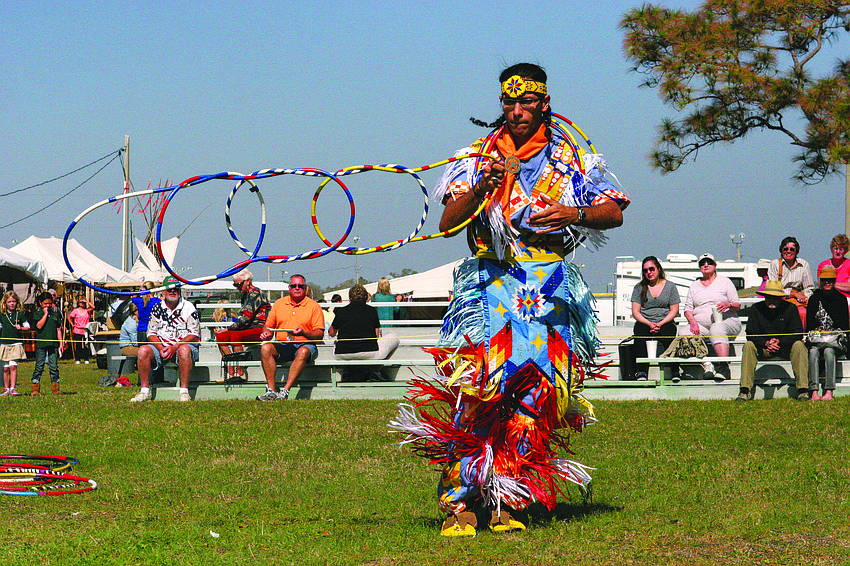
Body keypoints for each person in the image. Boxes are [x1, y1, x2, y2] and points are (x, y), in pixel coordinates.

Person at [389, 63, 629, 536]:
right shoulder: (477, 157)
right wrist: (482, 185)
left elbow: (615, 211)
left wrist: (573, 211)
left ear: (543, 102)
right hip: (490, 289)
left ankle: (508, 501)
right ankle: (460, 503)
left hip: (548, 290)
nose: (517, 111)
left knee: (536, 397)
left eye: (526, 102)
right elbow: (448, 222)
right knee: (480, 393)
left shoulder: (572, 156)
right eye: (508, 102)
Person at [130, 275, 201, 403]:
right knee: (143, 350)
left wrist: (175, 347)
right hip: (161, 347)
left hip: (184, 346)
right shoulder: (157, 308)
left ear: (180, 291)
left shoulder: (188, 307)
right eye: (169, 289)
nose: (172, 291)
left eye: (176, 289)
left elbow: (194, 333)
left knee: (184, 350)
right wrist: (161, 348)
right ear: (163, 291)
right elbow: (151, 333)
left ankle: (184, 392)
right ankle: (144, 391)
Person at [736, 280, 809, 401]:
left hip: (786, 348)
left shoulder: (791, 308)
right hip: (763, 348)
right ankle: (744, 390)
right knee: (748, 346)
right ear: (764, 297)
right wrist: (766, 343)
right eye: (769, 297)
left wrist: (779, 342)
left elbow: (797, 333)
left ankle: (803, 390)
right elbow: (750, 334)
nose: (772, 300)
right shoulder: (756, 308)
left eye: (775, 298)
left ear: (781, 298)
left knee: (799, 346)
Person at [256, 274, 324, 401]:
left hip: (306, 345)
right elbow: (268, 326)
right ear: (289, 288)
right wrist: (267, 334)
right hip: (283, 344)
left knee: (303, 351)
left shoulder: (314, 306)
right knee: (265, 348)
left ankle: (285, 391)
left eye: (300, 286)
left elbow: (319, 334)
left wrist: (303, 333)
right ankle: (271, 390)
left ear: (305, 288)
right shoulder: (279, 304)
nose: (297, 288)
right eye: (293, 286)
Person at [683, 253, 742, 379]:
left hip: (727, 320)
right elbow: (688, 309)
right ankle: (707, 364)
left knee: (717, 328)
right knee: (683, 333)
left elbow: (737, 304)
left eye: (708, 262)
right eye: (702, 263)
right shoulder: (694, 285)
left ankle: (724, 367)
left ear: (715, 265)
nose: (705, 265)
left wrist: (728, 304)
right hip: (701, 325)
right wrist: (692, 322)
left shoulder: (725, 282)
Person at [328, 284, 399, 378]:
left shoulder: (341, 311)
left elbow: (331, 333)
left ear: (350, 298)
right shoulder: (372, 311)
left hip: (342, 353)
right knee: (395, 337)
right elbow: (376, 336)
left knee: (336, 343)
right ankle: (375, 371)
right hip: (369, 352)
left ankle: (346, 372)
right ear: (366, 298)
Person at [214, 269, 270, 382]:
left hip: (260, 328)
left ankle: (240, 372)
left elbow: (246, 318)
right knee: (220, 337)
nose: (237, 287)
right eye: (235, 284)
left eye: (238, 284)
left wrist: (227, 329)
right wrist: (225, 332)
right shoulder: (245, 295)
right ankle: (230, 372)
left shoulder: (256, 294)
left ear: (247, 281)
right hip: (248, 328)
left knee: (235, 336)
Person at [630, 256, 680, 380]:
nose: (649, 272)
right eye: (645, 270)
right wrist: (649, 323)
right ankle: (642, 371)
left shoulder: (670, 287)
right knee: (639, 332)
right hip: (645, 321)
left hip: (665, 321)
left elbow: (674, 310)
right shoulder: (639, 287)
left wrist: (660, 323)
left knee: (670, 333)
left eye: (651, 269)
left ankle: (675, 371)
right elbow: (636, 311)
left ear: (658, 269)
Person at [806, 265, 848, 401]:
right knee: (813, 352)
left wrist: (830, 332)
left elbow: (844, 325)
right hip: (818, 339)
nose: (827, 283)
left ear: (834, 281)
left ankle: (829, 390)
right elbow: (809, 325)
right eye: (824, 280)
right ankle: (813, 391)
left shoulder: (841, 299)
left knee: (829, 352)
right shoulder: (814, 299)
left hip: (834, 341)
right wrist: (819, 331)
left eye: (830, 280)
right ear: (820, 282)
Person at [768, 236, 814, 323]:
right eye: (785, 249)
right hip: (779, 300)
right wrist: (793, 294)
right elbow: (772, 289)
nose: (788, 251)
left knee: (803, 313)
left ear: (796, 251)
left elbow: (809, 287)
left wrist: (804, 298)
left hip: (799, 301)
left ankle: (801, 335)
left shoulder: (804, 265)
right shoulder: (775, 264)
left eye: (792, 249)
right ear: (781, 250)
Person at [31, 291, 65, 396]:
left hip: (53, 345)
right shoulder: (38, 314)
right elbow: (39, 326)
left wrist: (61, 343)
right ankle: (35, 388)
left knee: (53, 366)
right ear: (41, 303)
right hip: (41, 345)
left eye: (50, 303)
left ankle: (55, 388)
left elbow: (58, 329)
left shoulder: (55, 314)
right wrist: (45, 314)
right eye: (45, 303)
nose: (48, 305)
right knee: (39, 366)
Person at [0, 291, 29, 396]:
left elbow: (28, 326)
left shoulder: (20, 314)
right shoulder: (2, 315)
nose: (12, 303)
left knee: (13, 367)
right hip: (4, 344)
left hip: (16, 343)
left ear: (17, 302)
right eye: (9, 302)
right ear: (5, 303)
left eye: (14, 301)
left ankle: (13, 388)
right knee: (6, 368)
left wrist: (21, 328)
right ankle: (6, 388)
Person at [818, 234, 850, 302]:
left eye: (841, 249)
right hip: (827, 297)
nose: (838, 252)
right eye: (836, 248)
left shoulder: (849, 264)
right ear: (832, 249)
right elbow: (821, 285)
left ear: (845, 251)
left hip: (846, 298)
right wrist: (843, 285)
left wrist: (830, 284)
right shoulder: (823, 265)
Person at [131, 281, 161, 345]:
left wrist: (139, 291)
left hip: (141, 331)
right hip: (154, 332)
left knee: (142, 353)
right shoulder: (158, 302)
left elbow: (133, 298)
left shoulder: (138, 301)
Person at [67, 298, 94, 364]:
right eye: (81, 302)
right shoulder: (76, 311)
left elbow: (93, 307)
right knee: (78, 345)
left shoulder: (87, 310)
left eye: (83, 302)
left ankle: (86, 358)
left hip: (85, 329)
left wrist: (87, 301)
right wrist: (72, 324)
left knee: (86, 344)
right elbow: (69, 317)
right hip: (77, 329)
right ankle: (77, 359)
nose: (82, 303)